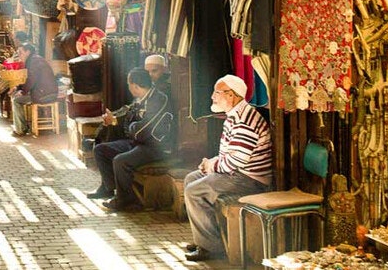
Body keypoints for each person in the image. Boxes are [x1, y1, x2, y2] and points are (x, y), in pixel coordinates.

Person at [182, 74, 272, 262]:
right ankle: (205, 239)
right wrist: (211, 165)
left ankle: (210, 248)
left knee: (194, 190)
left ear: (231, 95)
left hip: (250, 180)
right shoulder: (235, 115)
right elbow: (230, 156)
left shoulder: (244, 120)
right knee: (191, 179)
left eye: (217, 92)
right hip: (237, 173)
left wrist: (210, 165)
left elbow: (235, 162)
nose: (213, 97)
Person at [88, 68, 173, 212]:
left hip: (155, 147)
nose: (129, 88)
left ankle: (125, 199)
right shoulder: (139, 100)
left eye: (129, 85)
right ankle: (109, 188)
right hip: (138, 143)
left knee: (120, 160)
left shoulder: (159, 99)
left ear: (134, 85)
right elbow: (129, 119)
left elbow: (141, 130)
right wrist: (114, 121)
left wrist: (131, 127)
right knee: (100, 150)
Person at [10, 43, 57, 135]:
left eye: (20, 52)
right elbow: (30, 80)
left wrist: (23, 92)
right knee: (17, 96)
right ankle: (23, 127)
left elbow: (31, 80)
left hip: (44, 94)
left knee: (16, 100)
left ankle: (20, 130)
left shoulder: (33, 61)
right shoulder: (34, 59)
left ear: (28, 52)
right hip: (46, 91)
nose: (19, 55)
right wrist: (17, 87)